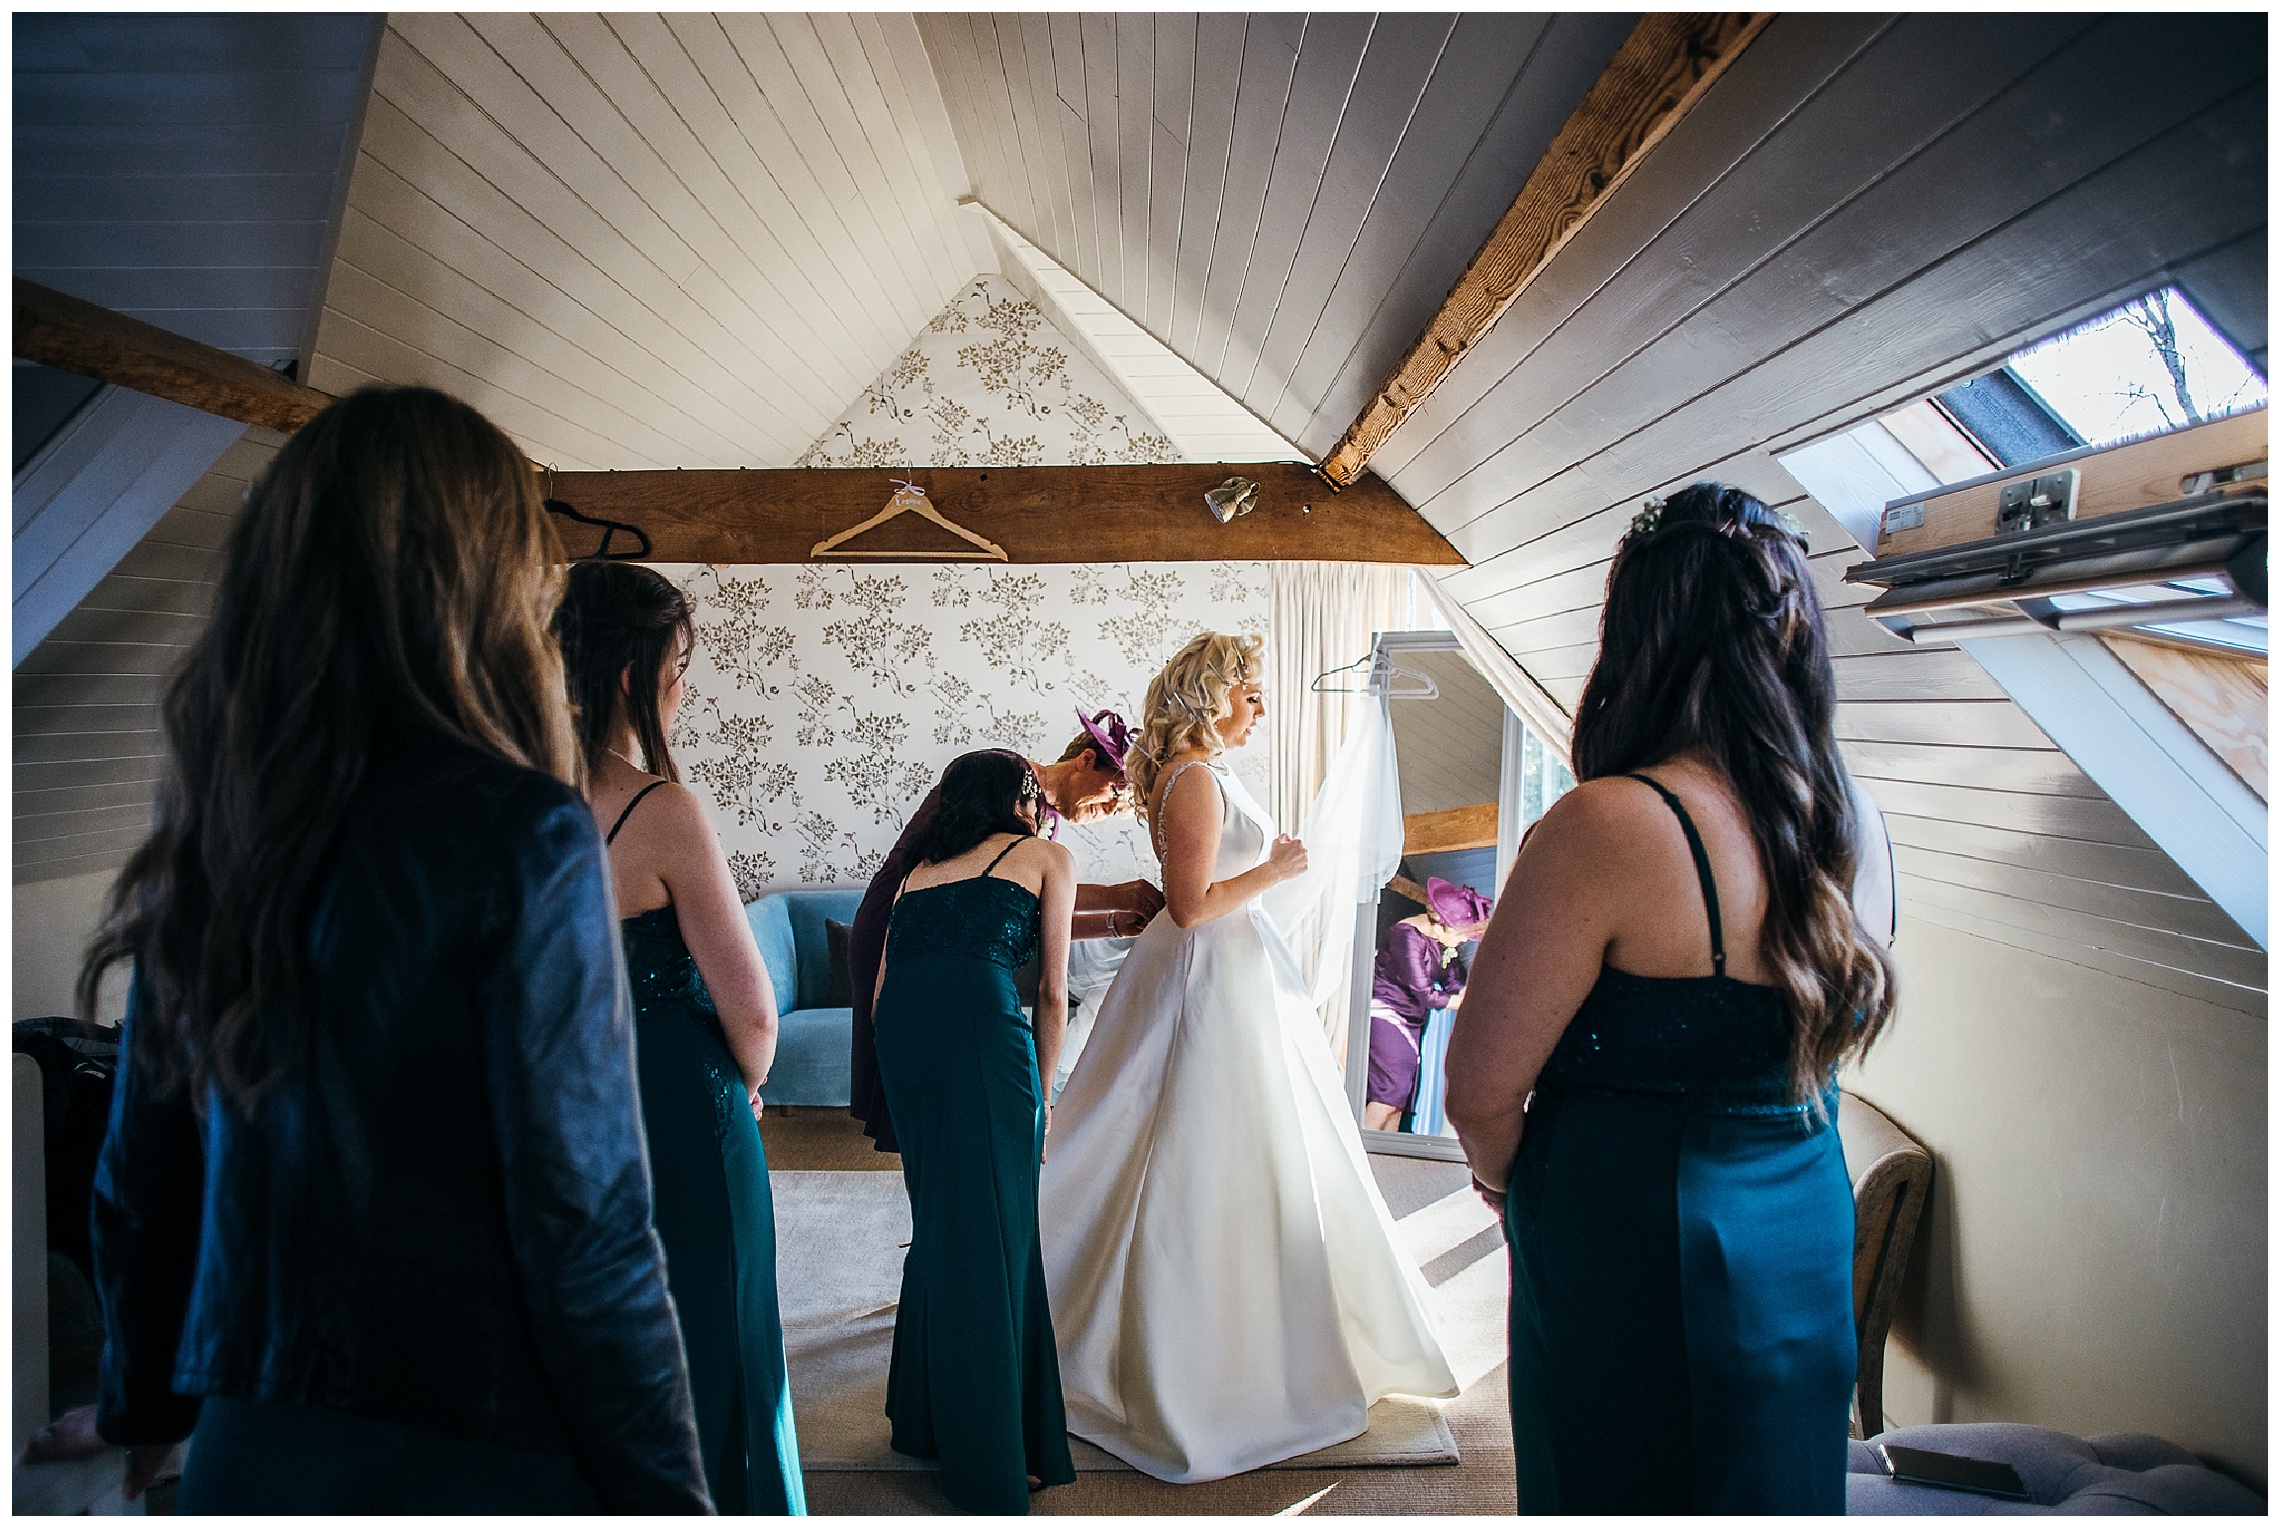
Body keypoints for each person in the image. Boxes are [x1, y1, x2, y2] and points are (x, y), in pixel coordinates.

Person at [79, 386, 709, 1512]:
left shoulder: (221, 827)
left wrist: (146, 1410)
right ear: (480, 586)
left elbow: (140, 1175)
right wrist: (671, 1495)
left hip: (250, 1444)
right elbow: (585, 1226)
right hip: (470, 1446)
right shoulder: (521, 830)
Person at [1442, 481, 1901, 1514]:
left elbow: (1477, 1088)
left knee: (1623, 1479)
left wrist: (1514, 1183)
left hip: (1631, 1240)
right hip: (1804, 1225)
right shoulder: (1852, 817)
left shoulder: (1610, 824)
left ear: (1636, 635)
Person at [1040, 634, 1457, 1483]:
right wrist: (1278, 870)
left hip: (1240, 976)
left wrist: (1268, 874)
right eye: (1251, 692)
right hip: (1205, 973)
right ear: (1210, 695)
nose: (1260, 706)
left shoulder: (1207, 773)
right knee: (1192, 1149)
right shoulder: (1191, 779)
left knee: (1270, 1147)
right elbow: (1191, 909)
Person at [555, 560, 806, 1515]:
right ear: (631, 670)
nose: (683, 682)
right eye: (678, 659)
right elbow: (750, 1009)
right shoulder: (661, 810)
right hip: (676, 1095)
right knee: (720, 1324)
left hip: (565, 1097)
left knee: (594, 1327)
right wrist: (745, 1084)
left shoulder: (507, 800)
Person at [869, 750, 1079, 1513]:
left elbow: (886, 984)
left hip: (904, 1039)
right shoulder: (1047, 856)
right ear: (1022, 797)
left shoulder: (922, 868)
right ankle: (992, 1453)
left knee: (943, 1224)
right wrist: (1045, 1097)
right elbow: (1052, 992)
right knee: (998, 1235)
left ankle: (927, 1420)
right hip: (981, 1040)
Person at [848, 709, 1165, 1154]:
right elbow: (975, 889)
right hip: (903, 924)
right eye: (1115, 791)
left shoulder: (1044, 826)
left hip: (949, 940)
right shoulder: (1003, 777)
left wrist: (1114, 919)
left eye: (1122, 806)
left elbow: (1012, 919)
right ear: (1087, 760)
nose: (1111, 810)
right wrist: (1117, 894)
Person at [1364, 877, 1492, 1133]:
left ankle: (1382, 1162)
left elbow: (1453, 983)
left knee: (1398, 1102)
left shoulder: (1441, 942)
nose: (1464, 940)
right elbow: (1424, 993)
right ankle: (1358, 1155)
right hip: (1387, 1015)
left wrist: (1477, 998)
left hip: (1411, 1022)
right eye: (1461, 933)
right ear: (1442, 924)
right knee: (1388, 1096)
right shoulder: (1406, 936)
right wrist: (1466, 1006)